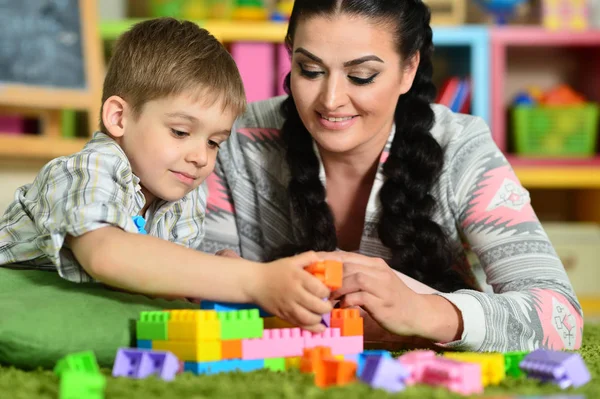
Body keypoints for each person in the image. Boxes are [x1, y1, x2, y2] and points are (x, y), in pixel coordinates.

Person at [201, 0, 584, 352]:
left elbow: (561, 318)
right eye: (310, 70)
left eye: (362, 75)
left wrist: (425, 311)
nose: (330, 99)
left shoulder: (461, 148)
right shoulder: (236, 137)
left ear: (408, 69)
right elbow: (195, 288)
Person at [0, 18, 332, 333]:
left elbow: (158, 276)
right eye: (180, 131)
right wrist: (251, 279)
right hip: (19, 297)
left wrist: (210, 272)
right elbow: (106, 255)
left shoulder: (184, 194)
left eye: (215, 142)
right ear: (119, 117)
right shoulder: (85, 170)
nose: (201, 157)